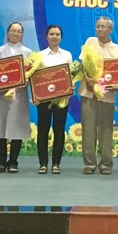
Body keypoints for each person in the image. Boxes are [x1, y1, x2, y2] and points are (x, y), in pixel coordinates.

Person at [0, 22, 33, 174]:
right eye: (13, 31)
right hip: (1, 96)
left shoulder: (28, 53)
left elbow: (30, 75)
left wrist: (24, 82)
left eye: (19, 31)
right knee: (0, 128)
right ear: (7, 33)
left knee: (17, 128)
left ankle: (13, 162)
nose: (15, 34)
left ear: (22, 34)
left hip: (19, 96)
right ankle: (0, 162)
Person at [79, 17, 118, 176]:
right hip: (89, 92)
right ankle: (89, 164)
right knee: (88, 129)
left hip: (107, 95)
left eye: (103, 27)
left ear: (110, 29)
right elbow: (83, 65)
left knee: (106, 130)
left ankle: (105, 164)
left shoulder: (117, 49)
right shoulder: (90, 42)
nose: (99, 29)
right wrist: (88, 80)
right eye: (97, 26)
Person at [36, 24, 72, 175]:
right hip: (43, 100)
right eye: (51, 34)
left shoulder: (67, 55)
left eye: (57, 34)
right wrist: (36, 96)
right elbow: (35, 78)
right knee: (42, 131)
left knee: (59, 131)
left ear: (61, 37)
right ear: (46, 36)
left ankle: (56, 163)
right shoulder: (39, 56)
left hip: (61, 100)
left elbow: (70, 75)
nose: (54, 37)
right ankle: (43, 163)